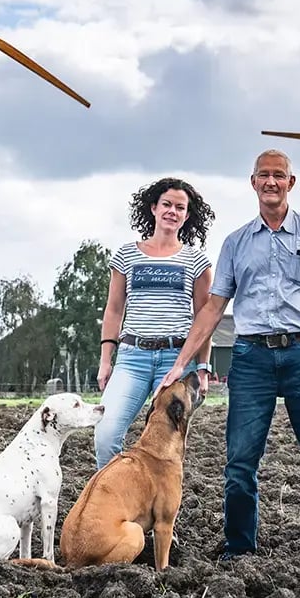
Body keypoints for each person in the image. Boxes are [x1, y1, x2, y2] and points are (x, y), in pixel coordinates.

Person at [160, 149, 300, 563]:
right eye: (263, 175)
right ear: (253, 183)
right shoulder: (235, 243)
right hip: (252, 359)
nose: (271, 182)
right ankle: (239, 549)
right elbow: (213, 308)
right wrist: (182, 362)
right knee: (240, 463)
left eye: (279, 175)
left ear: (291, 182)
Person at [93, 177, 217, 470]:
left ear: (187, 216)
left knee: (165, 445)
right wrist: (105, 360)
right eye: (167, 204)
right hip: (132, 358)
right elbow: (113, 310)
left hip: (175, 360)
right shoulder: (127, 254)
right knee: (106, 433)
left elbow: (205, 319)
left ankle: (160, 510)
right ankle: (112, 503)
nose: (172, 211)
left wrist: (202, 368)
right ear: (153, 208)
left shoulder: (197, 261)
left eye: (180, 207)